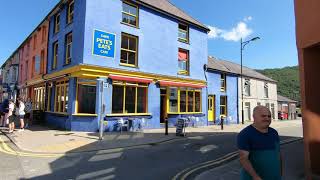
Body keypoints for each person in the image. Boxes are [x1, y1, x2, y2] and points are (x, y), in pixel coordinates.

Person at [237, 106, 283, 180]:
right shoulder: (245, 134)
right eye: (263, 116)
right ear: (254, 117)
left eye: (269, 116)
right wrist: (255, 177)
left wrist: (280, 174)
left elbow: (278, 154)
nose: (267, 118)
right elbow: (243, 159)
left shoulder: (274, 132)